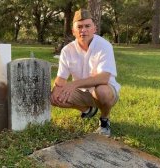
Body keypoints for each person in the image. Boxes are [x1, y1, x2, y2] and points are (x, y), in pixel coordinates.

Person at [50, 9, 120, 137]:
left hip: (104, 91)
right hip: (82, 93)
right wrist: (56, 91)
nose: (83, 30)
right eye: (79, 27)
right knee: (55, 97)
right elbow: (61, 78)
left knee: (102, 91)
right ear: (73, 31)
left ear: (94, 28)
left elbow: (104, 78)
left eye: (87, 26)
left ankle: (104, 120)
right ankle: (88, 110)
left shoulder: (104, 46)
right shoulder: (67, 50)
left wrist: (74, 84)